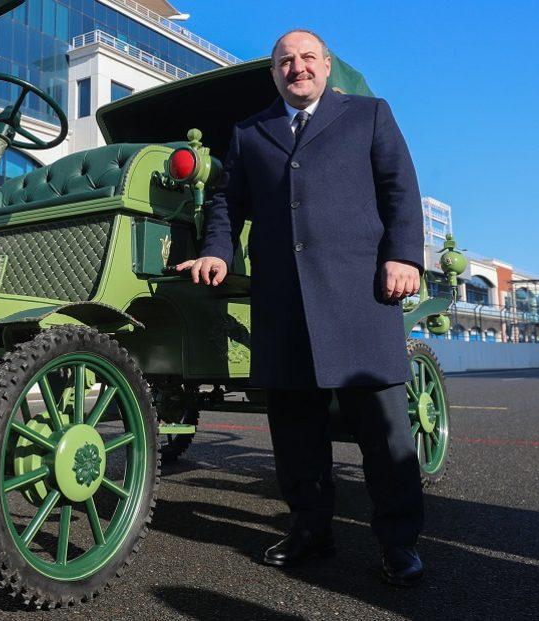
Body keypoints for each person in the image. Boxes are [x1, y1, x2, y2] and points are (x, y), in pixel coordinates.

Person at [177, 29, 425, 587]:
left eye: (307, 58)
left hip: (362, 293)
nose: (297, 68)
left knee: (384, 434)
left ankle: (399, 542)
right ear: (274, 74)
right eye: (285, 61)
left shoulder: (369, 115)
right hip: (284, 300)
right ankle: (310, 530)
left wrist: (403, 256)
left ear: (326, 65)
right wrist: (216, 251)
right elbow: (226, 202)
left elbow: (400, 189)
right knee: (294, 432)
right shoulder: (248, 132)